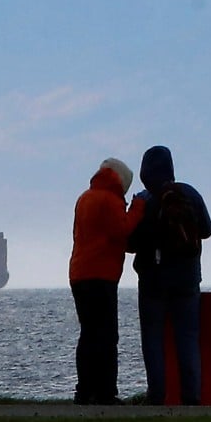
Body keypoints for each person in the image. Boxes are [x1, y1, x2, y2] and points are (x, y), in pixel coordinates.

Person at [127, 145, 211, 405]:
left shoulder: (145, 200)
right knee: (187, 338)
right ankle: (192, 397)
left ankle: (157, 396)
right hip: (187, 280)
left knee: (153, 339)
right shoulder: (189, 194)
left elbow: (130, 243)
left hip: (153, 280)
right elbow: (207, 230)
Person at [69, 158, 146, 405]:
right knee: (106, 336)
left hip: (79, 273)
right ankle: (105, 393)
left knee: (88, 334)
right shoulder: (110, 200)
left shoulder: (85, 198)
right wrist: (137, 209)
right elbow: (121, 230)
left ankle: (84, 390)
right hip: (101, 275)